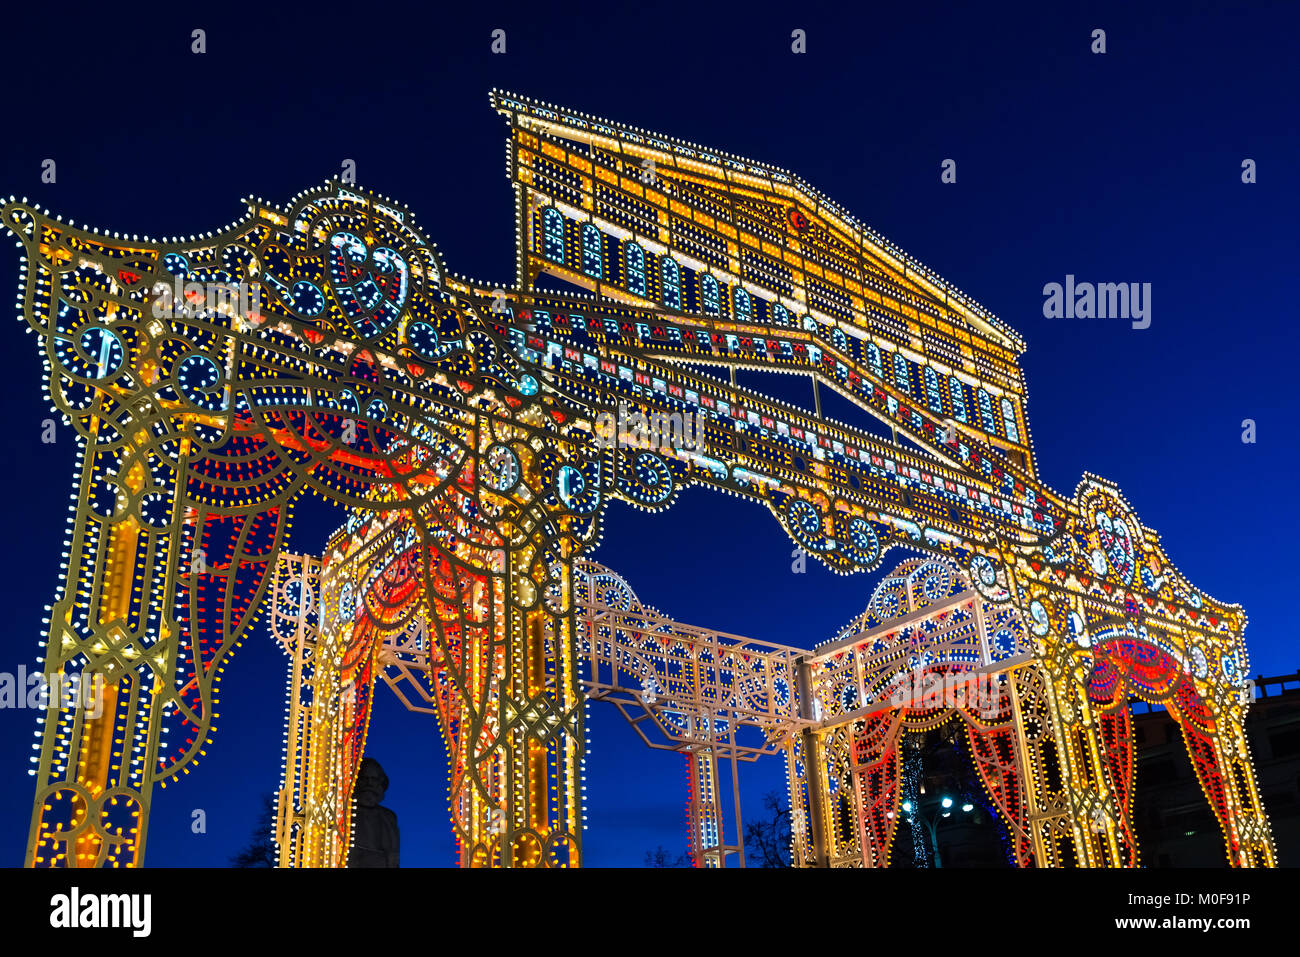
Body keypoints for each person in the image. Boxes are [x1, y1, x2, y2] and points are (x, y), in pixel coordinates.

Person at [348, 757, 399, 867]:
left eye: (374, 779)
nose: (369, 783)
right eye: (364, 778)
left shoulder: (389, 817)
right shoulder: (346, 813)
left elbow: (394, 857)